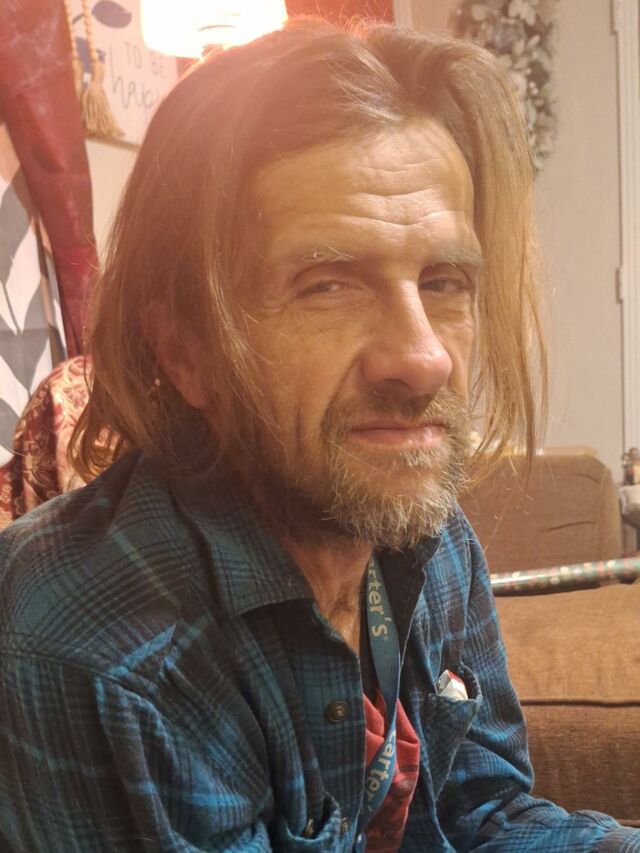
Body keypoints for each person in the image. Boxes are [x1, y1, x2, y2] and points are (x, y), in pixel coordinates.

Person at [0, 19, 637, 853]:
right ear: (185, 352)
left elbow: (484, 813)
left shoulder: (432, 541)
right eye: (328, 284)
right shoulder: (94, 660)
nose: (425, 358)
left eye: (444, 280)